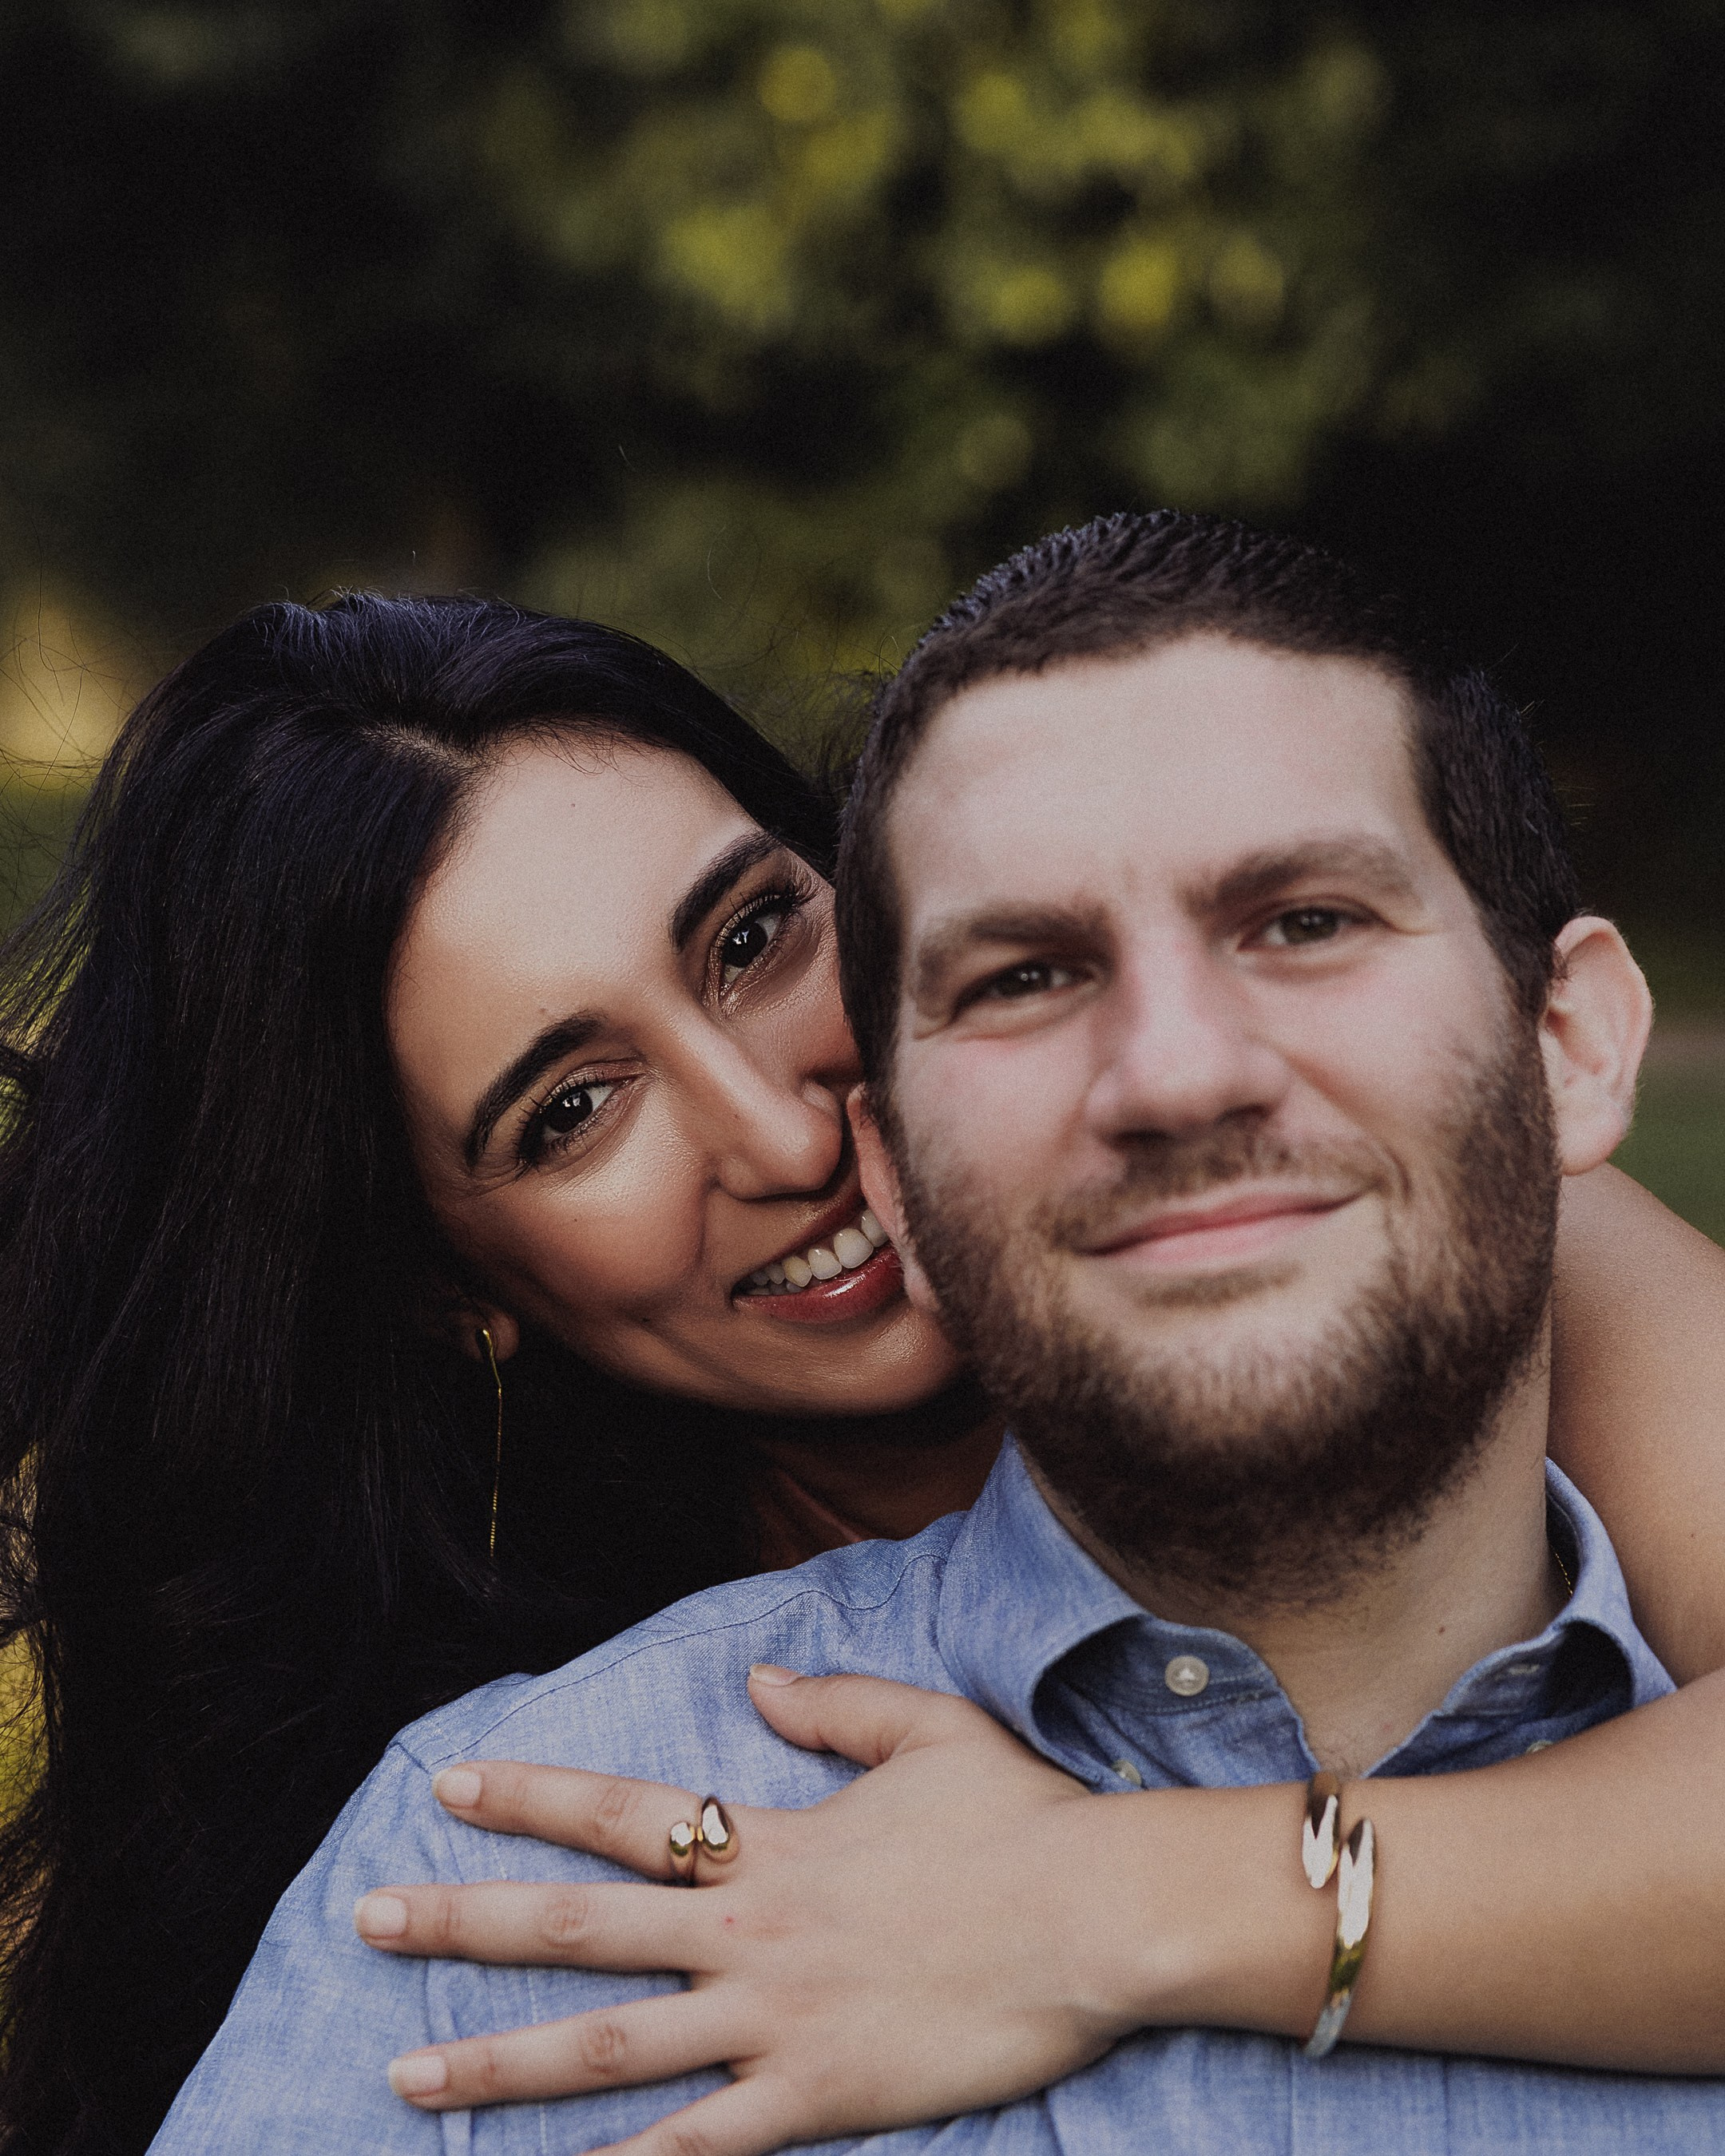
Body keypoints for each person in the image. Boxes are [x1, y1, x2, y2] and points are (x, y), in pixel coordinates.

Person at [145, 517, 1725, 2156]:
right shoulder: (515, 1850)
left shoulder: (1425, 1203)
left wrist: (1086, 1904)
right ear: (449, 1289)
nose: (781, 1134)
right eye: (570, 1111)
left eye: (754, 940)